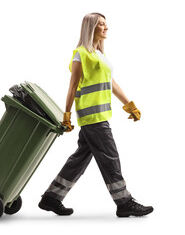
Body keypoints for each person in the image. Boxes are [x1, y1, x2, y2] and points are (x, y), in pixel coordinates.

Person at [38, 12, 153, 217]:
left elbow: (110, 83)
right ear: (91, 28)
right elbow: (72, 87)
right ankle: (124, 201)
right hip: (92, 118)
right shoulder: (80, 53)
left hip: (100, 115)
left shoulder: (99, 54)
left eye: (106, 24)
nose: (106, 27)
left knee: (80, 158)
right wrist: (67, 115)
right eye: (101, 24)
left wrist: (129, 105)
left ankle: (51, 198)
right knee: (110, 158)